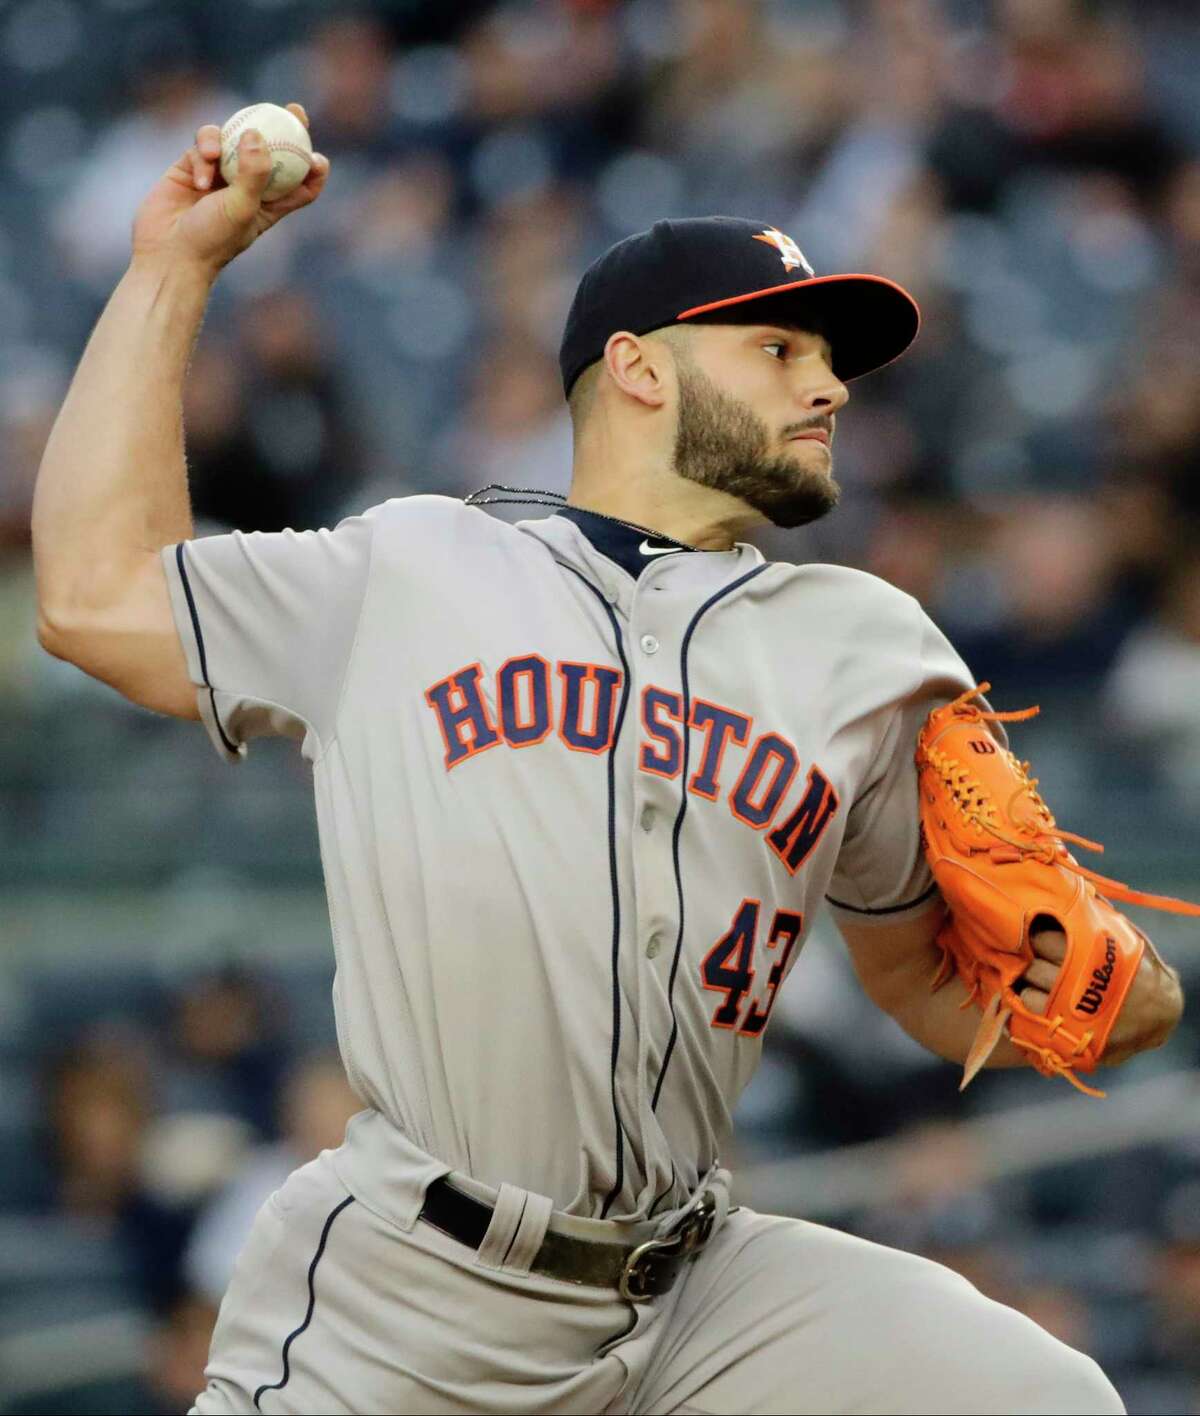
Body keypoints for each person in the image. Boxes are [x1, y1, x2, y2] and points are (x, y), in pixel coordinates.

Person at [32, 104, 1182, 1415]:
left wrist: (1102, 992)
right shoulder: (411, 565)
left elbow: (924, 975)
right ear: (638, 368)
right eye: (777, 346)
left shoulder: (866, 644)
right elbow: (94, 597)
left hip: (697, 1290)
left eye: (828, 359)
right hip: (419, 1287)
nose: (826, 386)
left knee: (1049, 1401)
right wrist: (170, 270)